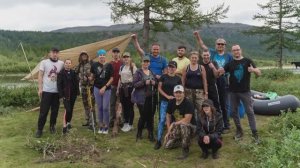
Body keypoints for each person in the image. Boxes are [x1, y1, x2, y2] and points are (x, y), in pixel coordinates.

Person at [219, 44, 261, 143]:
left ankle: (255, 134)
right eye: (234, 50)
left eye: (237, 50)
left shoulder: (248, 61)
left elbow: (259, 73)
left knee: (250, 112)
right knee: (233, 112)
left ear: (240, 50)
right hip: (233, 92)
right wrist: (218, 70)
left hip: (245, 91)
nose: (236, 52)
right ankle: (239, 130)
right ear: (232, 52)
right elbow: (221, 72)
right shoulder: (230, 63)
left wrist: (253, 70)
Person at [194, 31, 233, 131]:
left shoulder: (228, 56)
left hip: (223, 80)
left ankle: (226, 124)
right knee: (213, 102)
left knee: (223, 103)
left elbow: (232, 67)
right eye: (218, 44)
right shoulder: (212, 52)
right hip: (212, 80)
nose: (220, 45)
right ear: (216, 45)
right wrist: (197, 35)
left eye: (222, 44)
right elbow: (202, 45)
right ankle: (212, 123)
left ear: (225, 46)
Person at [36, 47, 64, 138]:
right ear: (50, 53)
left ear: (58, 54)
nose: (55, 54)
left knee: (55, 111)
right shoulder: (44, 62)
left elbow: (64, 77)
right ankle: (40, 129)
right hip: (46, 91)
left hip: (57, 92)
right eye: (53, 52)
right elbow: (40, 76)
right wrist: (40, 88)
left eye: (56, 52)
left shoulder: (61, 63)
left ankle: (52, 126)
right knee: (43, 111)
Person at [154, 61, 182, 150]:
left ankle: (173, 138)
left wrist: (176, 98)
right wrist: (167, 96)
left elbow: (181, 91)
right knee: (162, 120)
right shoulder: (163, 77)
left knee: (174, 120)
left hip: (175, 103)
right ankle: (158, 140)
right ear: (167, 68)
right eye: (169, 67)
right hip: (164, 102)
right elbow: (159, 88)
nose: (171, 68)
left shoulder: (178, 78)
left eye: (173, 67)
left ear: (175, 68)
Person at [164, 85, 196, 160]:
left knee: (183, 125)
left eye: (180, 92)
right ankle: (182, 141)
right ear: (174, 93)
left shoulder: (188, 103)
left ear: (183, 93)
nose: (178, 94)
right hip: (177, 126)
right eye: (176, 92)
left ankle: (185, 149)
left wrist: (173, 124)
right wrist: (169, 131)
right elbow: (168, 116)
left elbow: (187, 120)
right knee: (167, 146)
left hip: (190, 127)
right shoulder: (171, 102)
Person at [133, 56, 157, 142]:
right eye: (144, 61)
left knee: (150, 116)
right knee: (143, 116)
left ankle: (150, 134)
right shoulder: (138, 72)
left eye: (147, 62)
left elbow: (156, 83)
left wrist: (155, 83)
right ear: (141, 62)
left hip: (151, 98)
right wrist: (143, 82)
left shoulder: (151, 72)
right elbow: (134, 84)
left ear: (149, 63)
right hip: (141, 98)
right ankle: (139, 132)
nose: (146, 63)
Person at [90, 49, 114, 135]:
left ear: (105, 56)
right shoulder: (94, 65)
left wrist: (105, 87)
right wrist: (89, 78)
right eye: (100, 55)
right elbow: (92, 76)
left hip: (106, 89)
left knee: (105, 108)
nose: (102, 56)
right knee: (99, 108)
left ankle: (106, 125)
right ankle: (101, 125)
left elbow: (111, 78)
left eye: (103, 55)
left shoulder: (109, 65)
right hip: (96, 88)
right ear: (98, 56)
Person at [182, 51, 208, 122]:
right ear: (190, 58)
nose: (194, 59)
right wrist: (182, 91)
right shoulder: (186, 68)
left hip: (199, 92)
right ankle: (191, 126)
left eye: (195, 58)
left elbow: (204, 80)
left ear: (198, 58)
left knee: (201, 109)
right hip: (188, 92)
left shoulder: (201, 67)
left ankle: (202, 126)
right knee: (189, 109)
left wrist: (206, 93)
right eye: (192, 57)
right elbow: (183, 80)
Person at [57, 59, 79, 134]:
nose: (68, 64)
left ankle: (68, 122)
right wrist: (61, 95)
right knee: (67, 110)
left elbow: (76, 82)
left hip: (73, 94)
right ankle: (64, 126)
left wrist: (77, 92)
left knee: (71, 109)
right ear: (64, 64)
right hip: (65, 94)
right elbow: (59, 85)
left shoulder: (73, 72)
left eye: (69, 63)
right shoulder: (61, 73)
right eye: (66, 63)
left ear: (71, 64)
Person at [117, 52, 137, 132]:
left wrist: (134, 91)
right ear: (122, 58)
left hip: (130, 88)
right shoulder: (122, 67)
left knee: (130, 106)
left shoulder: (133, 67)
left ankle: (130, 124)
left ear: (130, 58)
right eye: (124, 57)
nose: (126, 58)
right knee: (124, 106)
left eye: (127, 57)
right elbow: (120, 79)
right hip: (122, 88)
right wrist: (118, 89)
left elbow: (136, 80)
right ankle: (126, 123)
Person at [76, 51, 96, 129]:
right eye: (82, 55)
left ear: (87, 56)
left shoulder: (92, 63)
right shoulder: (80, 65)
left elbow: (96, 73)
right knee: (85, 104)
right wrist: (79, 78)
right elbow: (75, 72)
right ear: (80, 56)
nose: (84, 56)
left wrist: (92, 78)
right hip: (83, 87)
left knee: (91, 104)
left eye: (85, 55)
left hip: (90, 87)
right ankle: (88, 120)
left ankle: (93, 122)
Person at [200, 50, 222, 115]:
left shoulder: (214, 63)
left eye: (207, 55)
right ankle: (205, 121)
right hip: (202, 87)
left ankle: (218, 120)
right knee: (204, 104)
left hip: (212, 86)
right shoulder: (200, 64)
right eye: (204, 55)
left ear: (209, 55)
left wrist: (213, 68)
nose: (206, 56)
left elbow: (216, 76)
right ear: (202, 56)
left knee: (215, 104)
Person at [109, 48, 123, 128]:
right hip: (112, 86)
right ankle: (112, 120)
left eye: (117, 52)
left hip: (121, 86)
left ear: (119, 54)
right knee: (112, 103)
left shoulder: (122, 63)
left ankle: (121, 119)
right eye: (114, 52)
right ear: (112, 54)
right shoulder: (110, 64)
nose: (116, 54)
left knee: (121, 104)